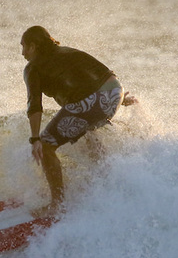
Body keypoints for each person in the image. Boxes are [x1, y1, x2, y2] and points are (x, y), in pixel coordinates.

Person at [21, 25, 134, 212]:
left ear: (33, 46)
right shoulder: (67, 52)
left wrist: (35, 139)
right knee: (87, 128)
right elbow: (94, 77)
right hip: (114, 90)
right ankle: (107, 178)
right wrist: (118, 100)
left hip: (94, 100)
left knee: (47, 145)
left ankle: (57, 205)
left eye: (24, 46)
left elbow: (34, 105)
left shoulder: (33, 68)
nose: (22, 52)